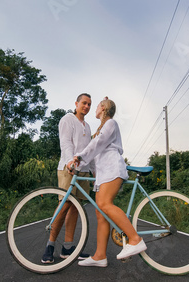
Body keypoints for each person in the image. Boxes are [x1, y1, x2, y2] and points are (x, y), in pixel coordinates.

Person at [68, 97, 147, 268]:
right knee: (100, 213)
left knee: (104, 204)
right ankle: (100, 256)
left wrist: (79, 156)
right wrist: (78, 163)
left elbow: (97, 144)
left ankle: (135, 239)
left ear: (103, 108)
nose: (93, 108)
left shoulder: (111, 124)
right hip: (103, 174)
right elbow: (95, 155)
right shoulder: (103, 128)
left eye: (96, 106)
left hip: (112, 169)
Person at [41, 93, 93, 264]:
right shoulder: (67, 119)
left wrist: (95, 173)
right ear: (76, 103)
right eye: (84, 103)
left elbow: (89, 152)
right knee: (65, 205)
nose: (86, 106)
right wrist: (71, 161)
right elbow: (65, 142)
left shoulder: (87, 126)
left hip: (83, 171)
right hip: (68, 168)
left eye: (89, 104)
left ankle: (68, 247)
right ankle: (50, 245)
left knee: (76, 208)